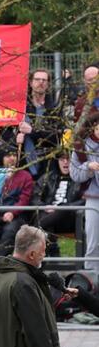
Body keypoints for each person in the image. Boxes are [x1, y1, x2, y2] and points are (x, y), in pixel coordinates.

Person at [32, 151, 85, 257]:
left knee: (60, 211)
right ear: (57, 162)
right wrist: (44, 206)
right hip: (49, 217)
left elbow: (84, 200)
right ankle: (52, 251)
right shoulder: (47, 177)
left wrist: (63, 208)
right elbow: (34, 197)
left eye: (68, 159)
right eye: (62, 159)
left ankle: (35, 229)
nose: (65, 162)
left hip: (70, 218)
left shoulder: (81, 178)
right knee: (44, 217)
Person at [69, 113, 99, 280]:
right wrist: (89, 167)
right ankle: (93, 279)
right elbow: (75, 174)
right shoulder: (81, 146)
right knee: (93, 240)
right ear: (93, 126)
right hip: (94, 197)